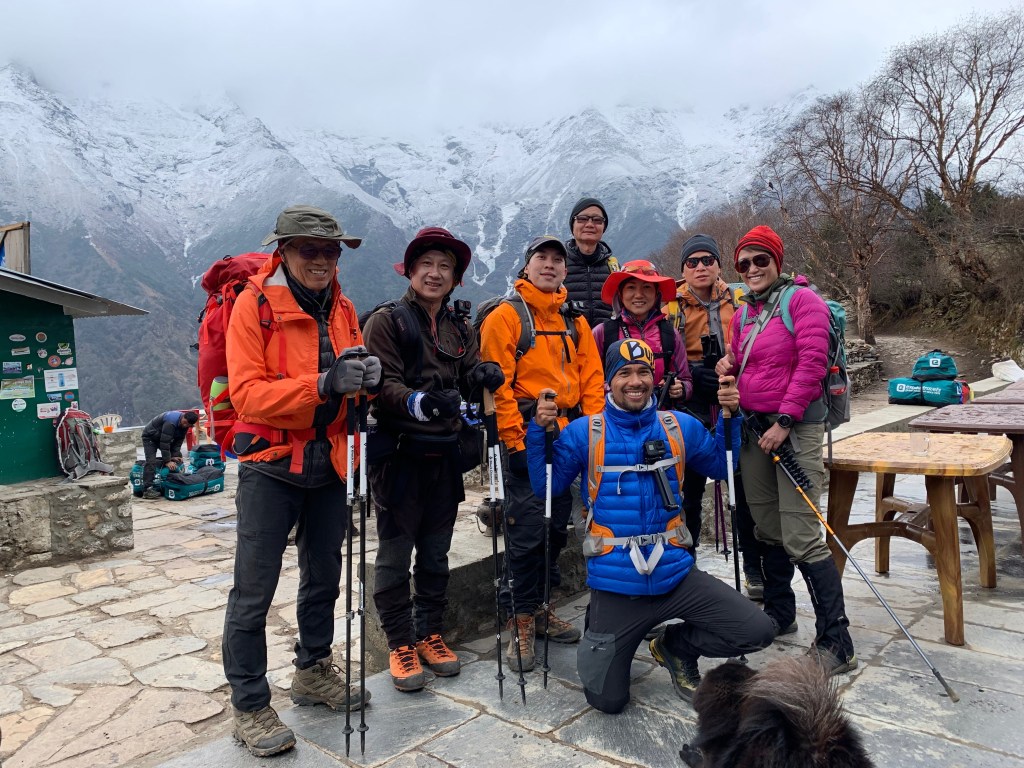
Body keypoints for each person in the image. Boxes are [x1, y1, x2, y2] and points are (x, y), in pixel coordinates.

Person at [526, 338, 775, 713]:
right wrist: (537, 432)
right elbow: (547, 487)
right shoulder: (583, 432)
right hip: (616, 583)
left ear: (654, 377)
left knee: (758, 631)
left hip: (676, 576)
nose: (635, 381)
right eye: (624, 373)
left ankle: (675, 646)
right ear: (609, 381)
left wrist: (730, 418)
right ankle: (610, 629)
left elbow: (722, 468)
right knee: (607, 700)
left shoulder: (680, 426)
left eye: (643, 372)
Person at [221, 205, 381, 757]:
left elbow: (346, 386)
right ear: (283, 251)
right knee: (253, 592)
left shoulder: (344, 308)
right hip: (271, 467)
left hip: (330, 464)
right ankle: (248, 704)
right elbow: (247, 395)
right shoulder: (253, 305)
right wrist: (324, 384)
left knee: (324, 578)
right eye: (308, 249)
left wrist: (363, 382)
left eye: (330, 250)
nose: (321, 259)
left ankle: (312, 671)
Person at [363, 227, 504, 692]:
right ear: (410, 269)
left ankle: (429, 634)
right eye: (428, 264)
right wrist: (425, 403)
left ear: (456, 278)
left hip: (443, 456)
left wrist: (480, 372)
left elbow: (466, 374)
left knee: (436, 553)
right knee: (395, 553)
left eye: (445, 266)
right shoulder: (388, 322)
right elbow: (382, 386)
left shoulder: (459, 327)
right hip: (400, 458)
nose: (436, 273)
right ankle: (400, 643)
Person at [715, 225, 857, 675]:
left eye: (761, 260)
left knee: (801, 531)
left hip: (792, 429)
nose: (752, 269)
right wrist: (729, 363)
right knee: (766, 523)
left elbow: (812, 364)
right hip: (755, 429)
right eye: (745, 263)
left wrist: (786, 420)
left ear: (777, 261)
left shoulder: (802, 302)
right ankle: (780, 613)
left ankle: (837, 640)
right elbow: (745, 358)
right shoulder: (744, 314)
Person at [479, 235, 605, 673]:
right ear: (526, 267)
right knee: (527, 532)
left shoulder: (575, 321)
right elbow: (500, 386)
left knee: (554, 529)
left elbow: (591, 378)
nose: (550, 265)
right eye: (541, 258)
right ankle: (520, 620)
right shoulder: (506, 317)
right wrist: (516, 442)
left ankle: (541, 607)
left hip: (570, 438)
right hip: (530, 437)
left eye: (557, 259)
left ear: (565, 270)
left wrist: (595, 433)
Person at [665, 235, 763, 594]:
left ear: (720, 265)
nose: (701, 267)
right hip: (690, 402)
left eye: (708, 260)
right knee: (688, 491)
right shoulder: (670, 307)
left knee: (744, 486)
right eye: (692, 262)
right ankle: (685, 569)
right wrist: (690, 379)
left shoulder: (741, 300)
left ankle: (754, 568)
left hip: (735, 396)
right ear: (683, 270)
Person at [592, 259, 692, 409]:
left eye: (646, 287)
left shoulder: (670, 334)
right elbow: (589, 384)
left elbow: (686, 379)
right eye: (631, 288)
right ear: (620, 294)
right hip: (613, 420)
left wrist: (681, 389)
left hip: (659, 419)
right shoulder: (603, 333)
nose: (639, 295)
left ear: (656, 294)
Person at [564, 197, 618, 328]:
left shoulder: (614, 269)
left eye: (597, 220)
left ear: (603, 227)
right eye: (582, 219)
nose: (589, 224)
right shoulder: (558, 265)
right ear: (573, 225)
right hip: (566, 345)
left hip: (605, 345)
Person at [140, 410, 199, 499]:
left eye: (188, 425)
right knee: (151, 461)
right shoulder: (171, 422)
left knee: (178, 457)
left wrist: (174, 456)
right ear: (183, 417)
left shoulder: (186, 425)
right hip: (150, 437)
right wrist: (167, 461)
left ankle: (172, 482)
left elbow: (178, 442)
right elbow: (165, 443)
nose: (185, 425)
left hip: (161, 437)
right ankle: (147, 489)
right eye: (184, 423)